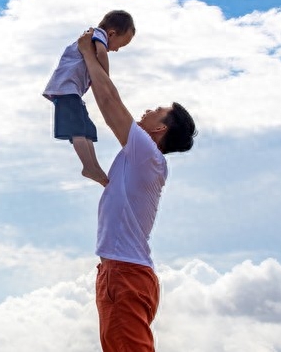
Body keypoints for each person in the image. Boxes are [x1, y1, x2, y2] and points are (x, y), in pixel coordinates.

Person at [77, 29, 197, 352]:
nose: (147, 110)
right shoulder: (140, 154)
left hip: (125, 273)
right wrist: (99, 52)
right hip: (116, 271)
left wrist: (87, 54)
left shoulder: (147, 154)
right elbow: (110, 93)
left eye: (156, 110)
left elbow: (109, 100)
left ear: (160, 129)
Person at [43, 10, 136, 187]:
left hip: (71, 92)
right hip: (66, 90)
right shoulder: (96, 35)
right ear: (111, 33)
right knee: (77, 129)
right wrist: (105, 78)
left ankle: (93, 166)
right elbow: (101, 53)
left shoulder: (94, 37)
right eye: (119, 45)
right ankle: (88, 166)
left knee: (86, 129)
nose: (115, 49)